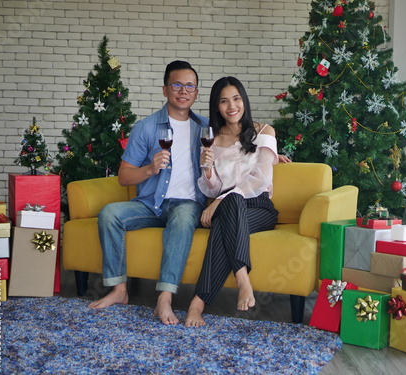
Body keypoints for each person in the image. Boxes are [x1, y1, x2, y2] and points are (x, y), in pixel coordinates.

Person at [88, 60, 209, 326]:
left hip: (188, 204)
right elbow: (123, 177)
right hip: (151, 204)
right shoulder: (146, 127)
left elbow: (245, 134)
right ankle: (119, 290)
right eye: (177, 84)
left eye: (190, 86)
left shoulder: (206, 127)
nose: (183, 91)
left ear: (197, 92)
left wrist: (271, 152)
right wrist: (149, 170)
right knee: (110, 214)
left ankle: (164, 298)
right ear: (165, 89)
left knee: (182, 216)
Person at [185, 76, 279, 327]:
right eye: (224, 101)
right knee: (228, 215)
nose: (231, 106)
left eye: (236, 98)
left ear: (244, 100)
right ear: (217, 107)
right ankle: (242, 279)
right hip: (229, 209)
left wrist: (219, 201)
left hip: (259, 207)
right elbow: (212, 187)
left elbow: (260, 179)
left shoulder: (264, 131)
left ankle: (198, 302)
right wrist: (206, 169)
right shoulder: (211, 140)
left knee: (229, 209)